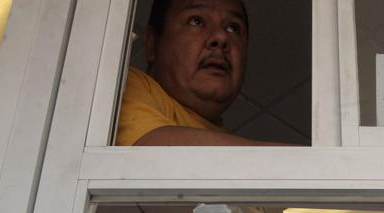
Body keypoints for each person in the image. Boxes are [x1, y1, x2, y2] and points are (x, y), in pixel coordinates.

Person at [116, 0, 281, 146]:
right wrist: (296, 161)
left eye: (233, 28)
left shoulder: (228, 149)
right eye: (196, 21)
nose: (221, 37)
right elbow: (150, 153)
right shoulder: (122, 84)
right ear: (152, 43)